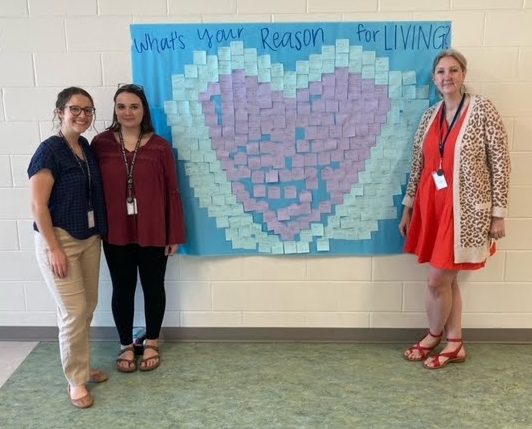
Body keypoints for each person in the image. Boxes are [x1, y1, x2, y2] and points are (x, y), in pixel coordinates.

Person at [399, 49, 510, 369]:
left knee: (437, 280)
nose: (447, 76)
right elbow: (418, 164)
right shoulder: (430, 115)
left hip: (466, 211)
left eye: (454, 70)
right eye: (441, 72)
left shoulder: (482, 110)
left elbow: (500, 162)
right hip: (432, 206)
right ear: (434, 79)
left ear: (464, 74)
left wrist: (498, 213)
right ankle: (455, 343)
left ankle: (433, 336)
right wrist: (408, 207)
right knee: (447, 281)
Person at [91, 84, 186, 373]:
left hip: (154, 230)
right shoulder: (101, 144)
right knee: (122, 288)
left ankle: (152, 341)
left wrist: (175, 234)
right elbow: (92, 188)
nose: (127, 112)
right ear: (115, 110)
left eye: (134, 106)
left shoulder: (160, 146)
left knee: (153, 287)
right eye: (121, 106)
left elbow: (172, 191)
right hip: (116, 231)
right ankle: (126, 345)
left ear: (143, 110)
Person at [28, 87, 108, 408]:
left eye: (88, 110)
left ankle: (84, 367)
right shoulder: (49, 151)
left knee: (87, 307)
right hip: (58, 240)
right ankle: (76, 380)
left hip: (89, 238)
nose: (82, 115)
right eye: (75, 109)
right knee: (73, 312)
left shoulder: (85, 147)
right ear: (60, 111)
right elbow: (38, 206)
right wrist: (54, 250)